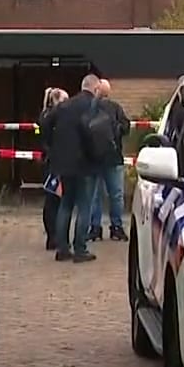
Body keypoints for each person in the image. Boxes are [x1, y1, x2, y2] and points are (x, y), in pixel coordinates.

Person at [44, 74, 107, 263]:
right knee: (85, 206)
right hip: (86, 164)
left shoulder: (65, 105)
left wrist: (52, 146)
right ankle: (80, 249)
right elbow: (99, 134)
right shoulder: (94, 106)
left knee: (66, 205)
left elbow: (46, 122)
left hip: (64, 164)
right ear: (95, 89)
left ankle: (62, 248)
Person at [85, 79, 131, 242]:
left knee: (94, 196)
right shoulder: (116, 108)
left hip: (94, 158)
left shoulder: (90, 108)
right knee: (116, 195)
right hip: (113, 157)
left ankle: (95, 228)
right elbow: (126, 127)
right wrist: (116, 131)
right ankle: (116, 227)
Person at [36, 87, 68, 250]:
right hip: (54, 162)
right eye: (64, 100)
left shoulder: (45, 116)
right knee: (54, 200)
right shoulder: (52, 118)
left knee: (52, 200)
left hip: (50, 161)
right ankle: (54, 236)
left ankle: (53, 236)